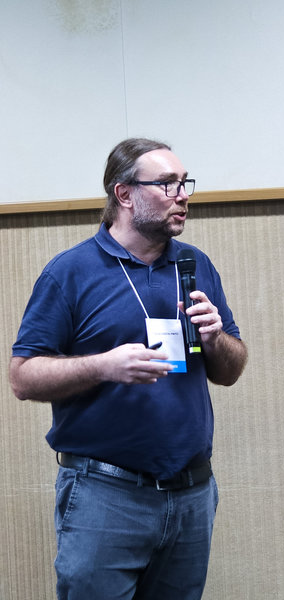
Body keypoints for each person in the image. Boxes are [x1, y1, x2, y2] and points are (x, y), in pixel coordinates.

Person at [9, 137, 247, 600]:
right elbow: (23, 377)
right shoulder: (71, 272)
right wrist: (103, 366)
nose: (182, 196)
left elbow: (230, 370)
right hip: (105, 495)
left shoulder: (195, 265)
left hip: (191, 493)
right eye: (167, 184)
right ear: (124, 194)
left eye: (185, 184)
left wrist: (216, 338)